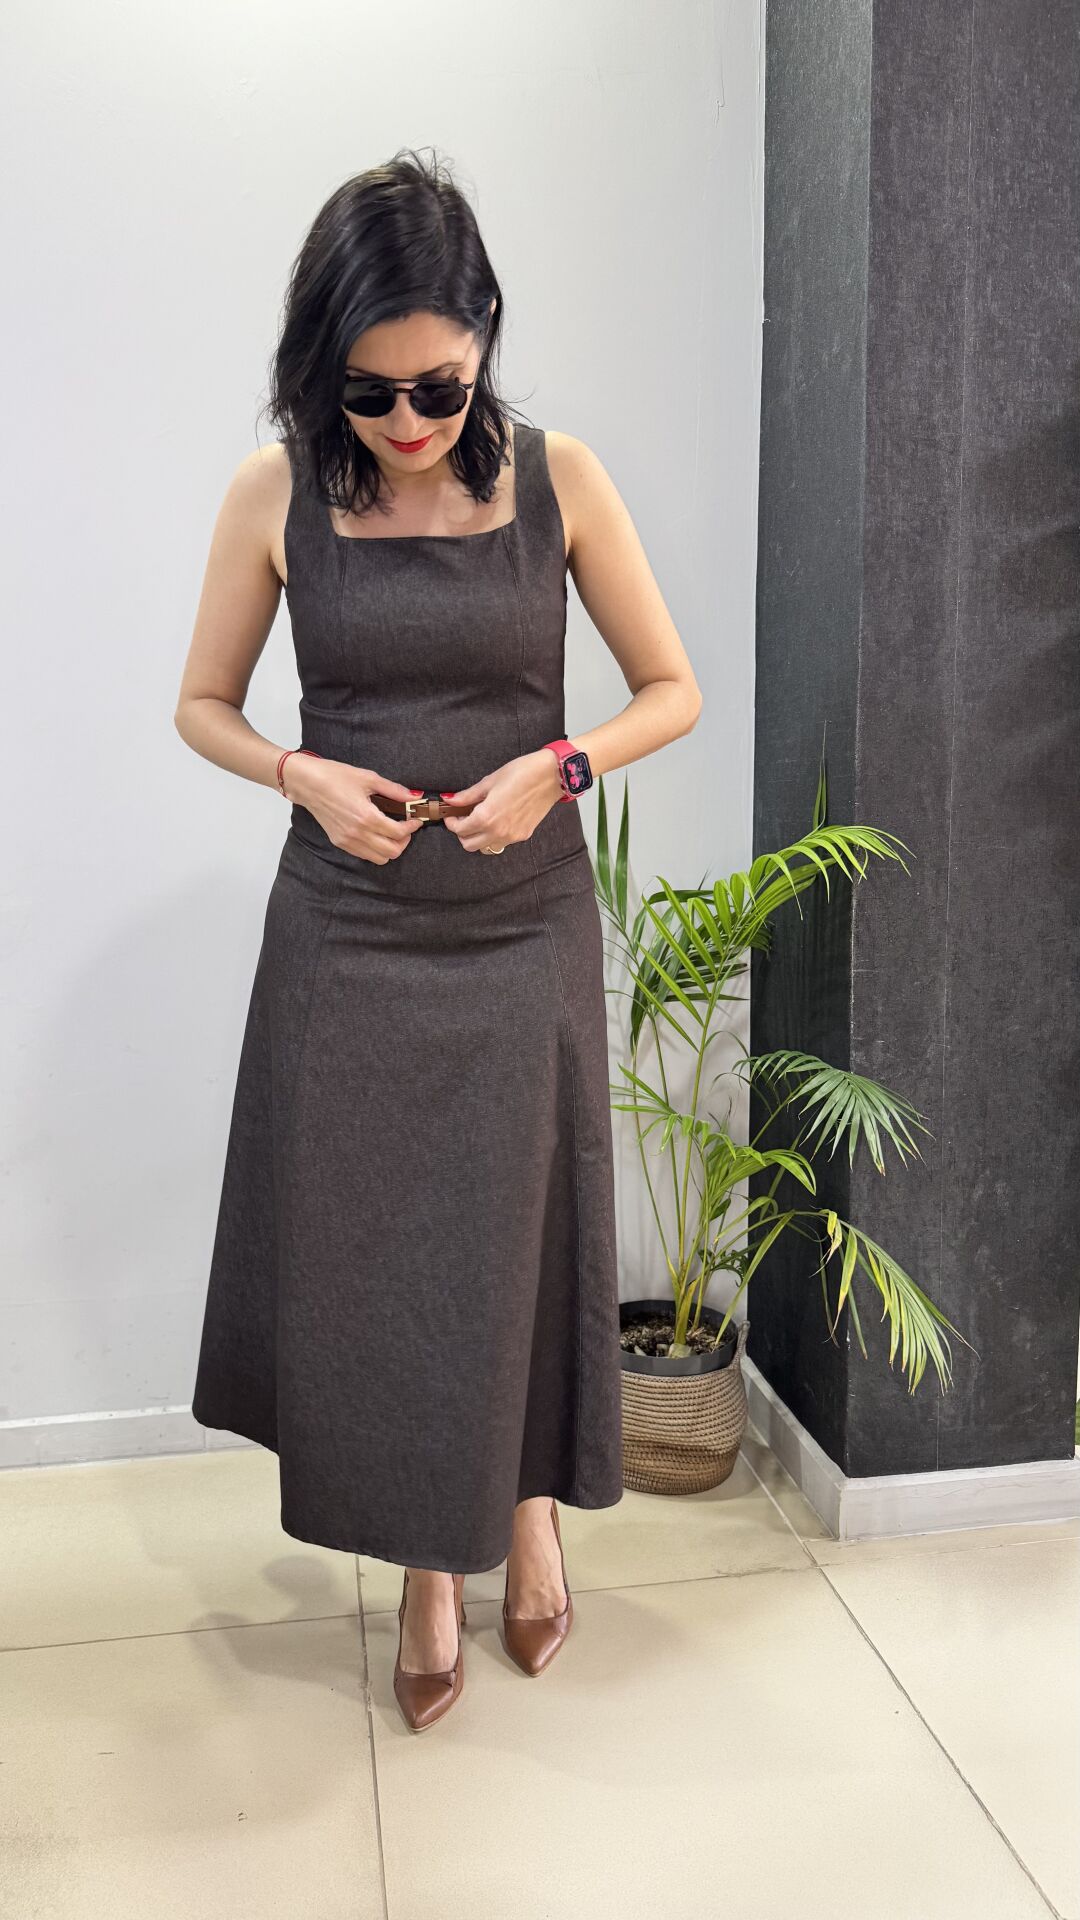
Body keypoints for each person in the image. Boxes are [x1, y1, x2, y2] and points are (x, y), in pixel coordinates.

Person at [175, 146, 703, 1732]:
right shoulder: (274, 493)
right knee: (386, 1265)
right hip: (346, 936)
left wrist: (561, 771)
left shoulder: (561, 479)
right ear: (318, 369)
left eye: (440, 389)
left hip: (519, 930)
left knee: (514, 1237)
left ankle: (527, 1517)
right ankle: (424, 1567)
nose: (407, 424)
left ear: (483, 344)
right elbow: (200, 705)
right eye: (370, 393)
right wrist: (299, 773)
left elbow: (670, 690)